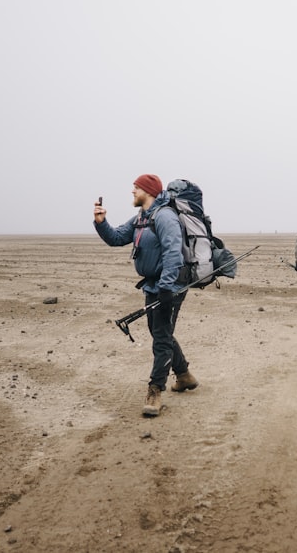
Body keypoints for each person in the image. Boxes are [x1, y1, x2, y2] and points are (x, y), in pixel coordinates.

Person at [93, 174, 199, 417]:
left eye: (136, 187)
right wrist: (101, 222)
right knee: (159, 332)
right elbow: (117, 238)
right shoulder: (142, 217)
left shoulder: (165, 217)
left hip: (169, 285)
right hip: (153, 285)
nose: (132, 191)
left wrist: (166, 288)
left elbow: (174, 254)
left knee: (161, 336)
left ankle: (155, 390)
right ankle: (183, 375)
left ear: (148, 191)